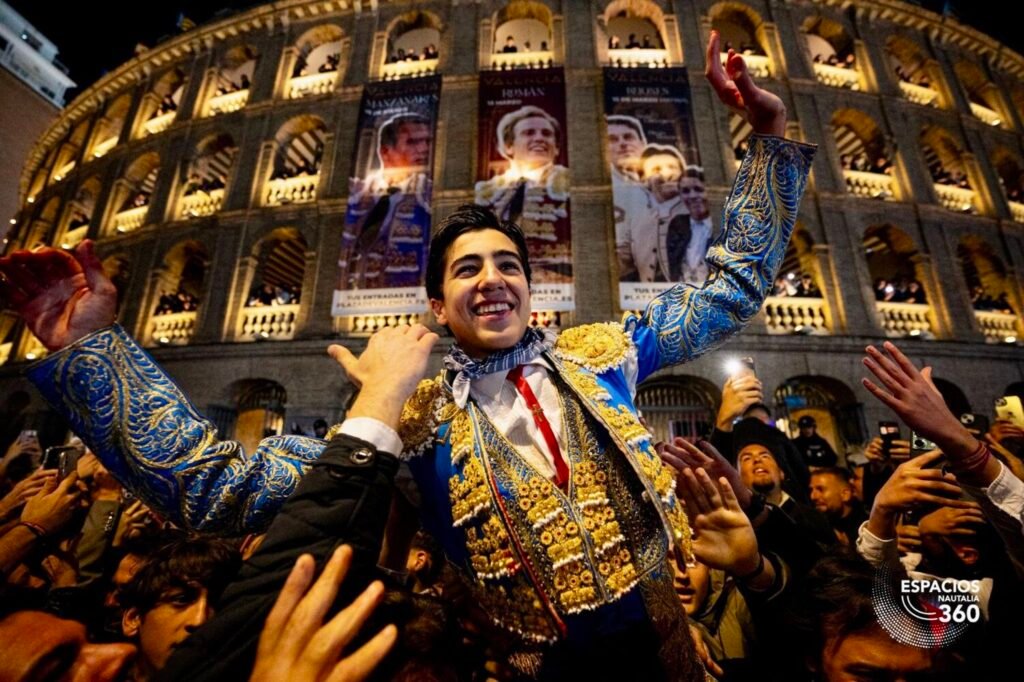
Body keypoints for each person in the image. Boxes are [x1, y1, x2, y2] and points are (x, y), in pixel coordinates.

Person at [1, 30, 814, 681]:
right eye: (468, 269)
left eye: (508, 265)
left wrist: (769, 138)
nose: (493, 281)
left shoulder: (605, 352)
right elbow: (224, 489)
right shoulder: (407, 423)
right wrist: (94, 353)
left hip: (674, 658)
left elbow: (732, 287)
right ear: (436, 305)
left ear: (533, 289)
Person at [809, 467, 867, 546]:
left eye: (820, 489)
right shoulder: (819, 526)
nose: (813, 496)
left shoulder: (866, 530)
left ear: (845, 494)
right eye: (811, 490)